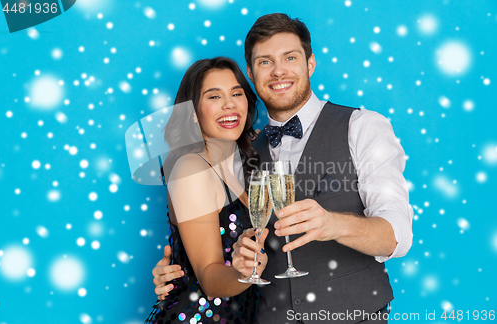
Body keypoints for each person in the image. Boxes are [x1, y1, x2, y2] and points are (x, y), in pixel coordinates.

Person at [152, 13, 413, 324]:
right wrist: (181, 274)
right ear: (251, 73)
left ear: (310, 64)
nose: (278, 71)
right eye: (265, 62)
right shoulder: (243, 151)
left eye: (289, 57)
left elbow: (398, 235)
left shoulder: (363, 126)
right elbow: (214, 245)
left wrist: (333, 224)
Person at [144, 57, 269, 324]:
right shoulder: (192, 169)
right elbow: (210, 276)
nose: (230, 104)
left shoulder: (240, 160)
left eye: (237, 93)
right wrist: (245, 272)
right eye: (214, 96)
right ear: (192, 112)